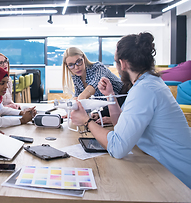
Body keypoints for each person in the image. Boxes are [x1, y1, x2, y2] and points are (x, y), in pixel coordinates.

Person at [70, 32, 191, 189]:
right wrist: (111, 96)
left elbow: (117, 148)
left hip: (180, 179)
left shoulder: (144, 90)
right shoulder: (149, 83)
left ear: (123, 63)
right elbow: (121, 125)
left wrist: (86, 120)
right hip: (167, 169)